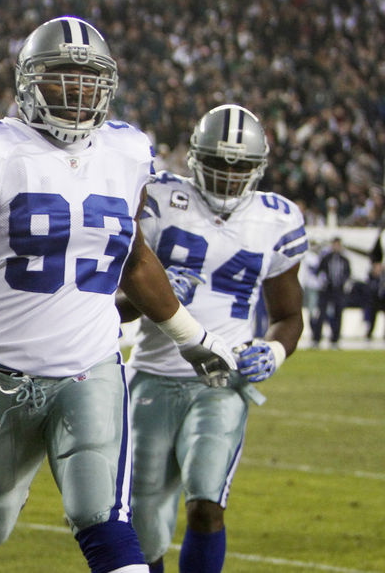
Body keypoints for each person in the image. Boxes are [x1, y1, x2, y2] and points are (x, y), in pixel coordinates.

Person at [0, 17, 236, 573]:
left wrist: (191, 335)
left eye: (89, 79)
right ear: (28, 83)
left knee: (102, 515)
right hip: (1, 372)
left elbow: (131, 256)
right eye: (61, 76)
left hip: (92, 367)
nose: (78, 90)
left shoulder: (128, 150)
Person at [117, 104, 306, 573]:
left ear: (258, 168)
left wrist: (275, 349)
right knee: (143, 518)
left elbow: (289, 314)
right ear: (195, 158)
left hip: (222, 383)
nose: (227, 174)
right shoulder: (158, 198)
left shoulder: (278, 220)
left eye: (239, 165)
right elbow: (113, 304)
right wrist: (149, 296)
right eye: (218, 162)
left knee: (206, 502)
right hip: (153, 376)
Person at [310, 236, 351, 347]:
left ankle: (335, 338)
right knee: (321, 313)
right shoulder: (326, 258)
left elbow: (348, 274)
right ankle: (317, 337)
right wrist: (322, 279)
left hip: (339, 290)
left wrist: (345, 283)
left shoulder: (344, 260)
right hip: (326, 290)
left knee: (338, 314)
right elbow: (318, 271)